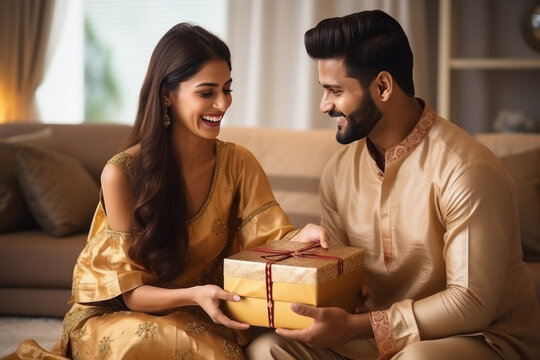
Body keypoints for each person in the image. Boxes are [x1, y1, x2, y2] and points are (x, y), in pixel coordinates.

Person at [6, 23, 327, 360]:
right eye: (207, 92)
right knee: (178, 344)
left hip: (199, 311)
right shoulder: (121, 173)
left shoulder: (239, 163)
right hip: (117, 317)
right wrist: (194, 295)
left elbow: (267, 240)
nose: (222, 104)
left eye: (227, 89)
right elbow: (130, 294)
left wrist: (299, 237)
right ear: (167, 95)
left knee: (214, 348)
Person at [246, 10, 540, 360]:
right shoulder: (339, 171)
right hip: (368, 336)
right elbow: (344, 283)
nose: (324, 105)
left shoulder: (466, 169)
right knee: (268, 348)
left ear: (382, 86)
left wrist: (360, 326)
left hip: (476, 338)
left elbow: (471, 302)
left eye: (335, 91)